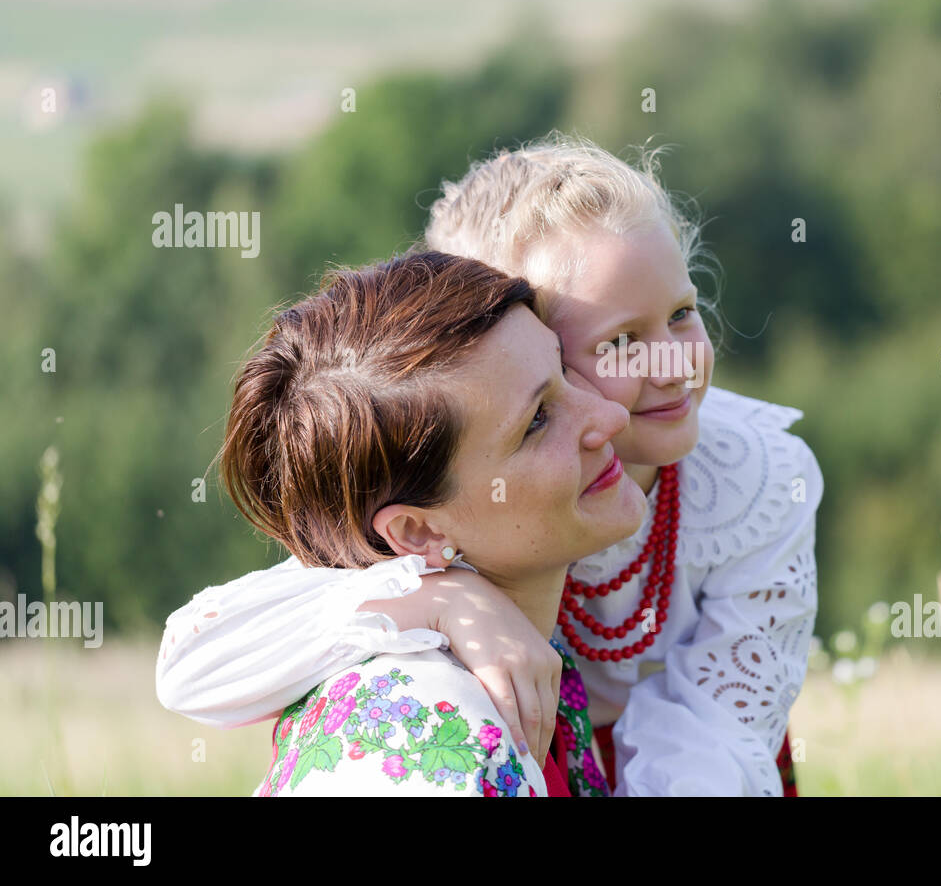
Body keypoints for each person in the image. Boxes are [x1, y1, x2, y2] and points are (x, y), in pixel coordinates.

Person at [158, 132, 822, 795]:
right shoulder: (454, 480)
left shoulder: (753, 479)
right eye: (619, 343)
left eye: (682, 314)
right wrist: (436, 597)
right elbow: (196, 659)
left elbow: (720, 729)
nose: (673, 364)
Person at [213, 250, 642, 794]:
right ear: (419, 533)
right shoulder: (420, 744)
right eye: (537, 421)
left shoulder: (525, 656)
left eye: (562, 368)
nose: (610, 416)